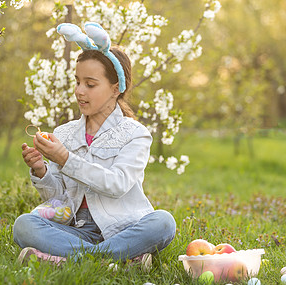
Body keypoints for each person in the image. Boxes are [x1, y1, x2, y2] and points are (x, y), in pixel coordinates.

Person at [13, 22, 176, 268]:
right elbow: (58, 198)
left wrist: (66, 159)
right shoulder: (64, 133)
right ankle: (116, 260)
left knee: (163, 223)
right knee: (24, 225)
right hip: (76, 230)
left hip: (124, 229)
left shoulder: (135, 134)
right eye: (77, 82)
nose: (79, 91)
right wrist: (41, 171)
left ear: (116, 88)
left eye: (90, 84)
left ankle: (68, 260)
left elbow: (117, 184)